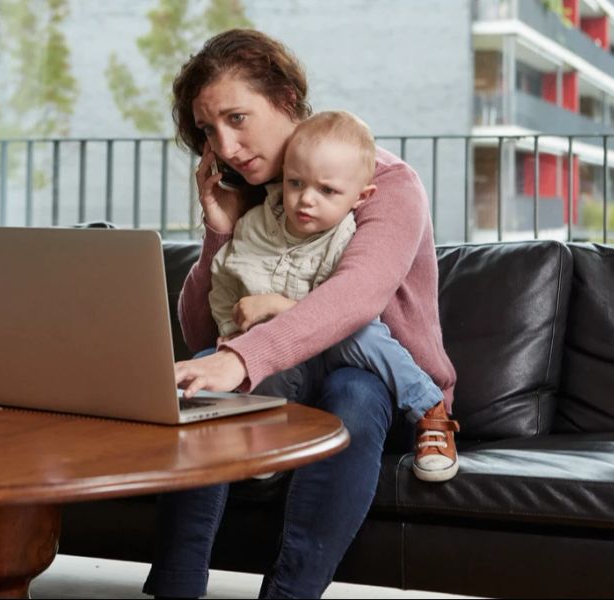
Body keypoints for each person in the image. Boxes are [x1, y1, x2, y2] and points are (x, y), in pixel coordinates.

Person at [144, 29, 457, 600]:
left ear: (286, 98)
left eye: (237, 118)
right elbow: (201, 333)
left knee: (355, 390)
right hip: (281, 384)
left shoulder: (384, 185)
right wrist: (221, 231)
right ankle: (174, 589)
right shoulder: (258, 198)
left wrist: (241, 358)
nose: (227, 146)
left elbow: (355, 299)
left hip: (376, 382)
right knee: (203, 380)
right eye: (210, 131)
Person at [207, 110, 448, 444]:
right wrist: (229, 332)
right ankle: (263, 444)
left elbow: (343, 314)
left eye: (327, 191)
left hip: (337, 353)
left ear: (361, 197)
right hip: (284, 360)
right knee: (219, 364)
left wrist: (278, 307)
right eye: (295, 183)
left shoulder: (347, 236)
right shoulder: (254, 225)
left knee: (364, 334)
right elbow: (223, 284)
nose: (306, 199)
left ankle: (428, 407)